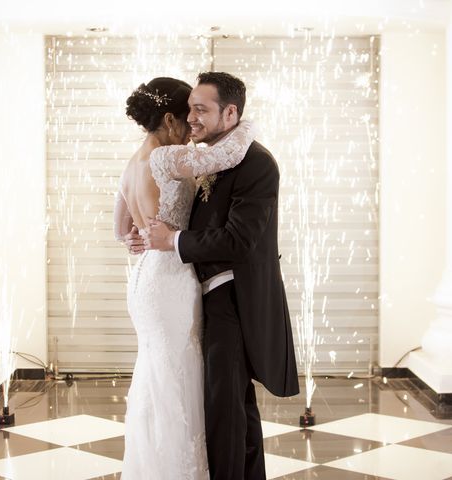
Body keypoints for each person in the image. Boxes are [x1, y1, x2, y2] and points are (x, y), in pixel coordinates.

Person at [143, 72, 300, 480]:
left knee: (225, 410)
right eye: (189, 108)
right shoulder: (214, 157)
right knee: (233, 408)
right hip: (209, 297)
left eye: (201, 109)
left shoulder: (257, 163)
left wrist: (173, 241)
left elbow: (238, 240)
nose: (191, 118)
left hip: (236, 300)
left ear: (230, 113)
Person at [114, 76, 255, 480]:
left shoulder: (131, 163)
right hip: (171, 277)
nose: (193, 124)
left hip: (145, 278)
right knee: (178, 375)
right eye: (189, 113)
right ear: (170, 119)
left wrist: (137, 238)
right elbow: (224, 157)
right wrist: (246, 124)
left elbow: (121, 231)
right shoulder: (166, 157)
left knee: (157, 374)